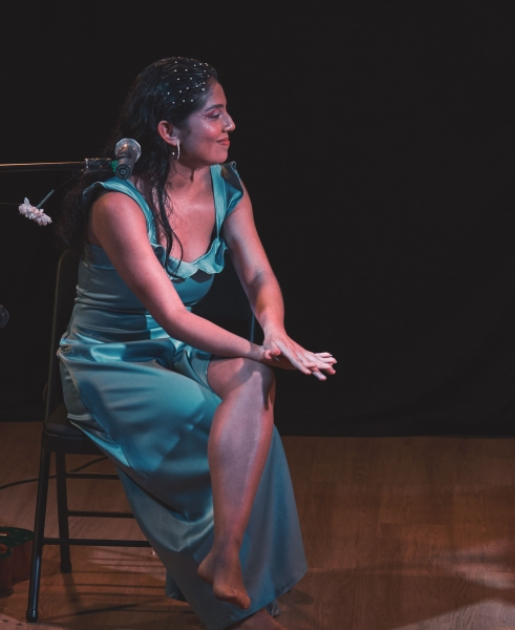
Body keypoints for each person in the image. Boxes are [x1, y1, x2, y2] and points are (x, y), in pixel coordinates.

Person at [56, 57, 336, 630]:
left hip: (172, 352)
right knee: (213, 422)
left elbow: (259, 276)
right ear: (168, 131)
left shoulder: (225, 183)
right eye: (215, 114)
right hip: (109, 362)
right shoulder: (117, 204)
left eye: (226, 111)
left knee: (255, 393)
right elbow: (171, 314)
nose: (231, 124)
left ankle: (226, 557)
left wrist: (275, 334)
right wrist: (256, 349)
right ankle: (240, 610)